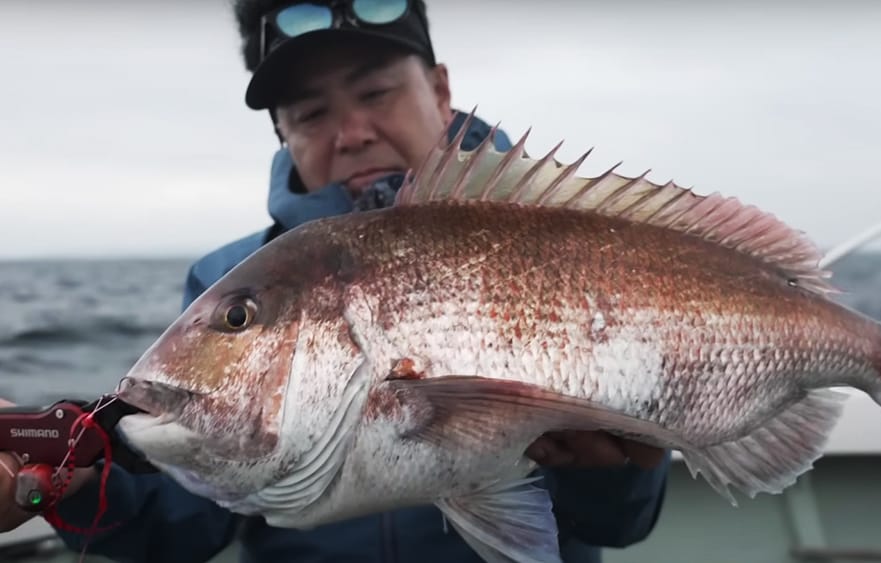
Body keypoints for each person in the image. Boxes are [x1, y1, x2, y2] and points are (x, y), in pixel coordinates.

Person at [0, 1, 672, 561]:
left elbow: (620, 524)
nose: (350, 132)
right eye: (311, 113)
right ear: (282, 133)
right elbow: (184, 523)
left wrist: (606, 469)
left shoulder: (569, 236)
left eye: (376, 91)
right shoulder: (228, 281)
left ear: (438, 89)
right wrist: (63, 484)